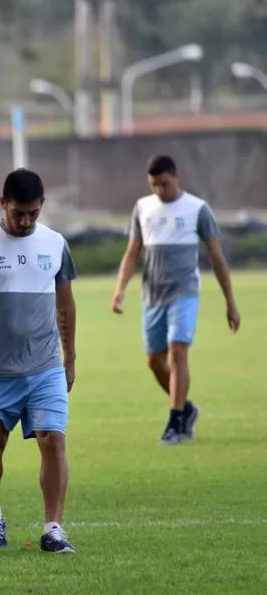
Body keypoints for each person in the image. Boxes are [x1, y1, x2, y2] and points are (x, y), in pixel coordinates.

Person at [0, 169, 78, 554]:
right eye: (18, 213)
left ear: (41, 208)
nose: (25, 222)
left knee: (53, 440)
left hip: (45, 367)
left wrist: (69, 357)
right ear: (2, 203)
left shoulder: (55, 243)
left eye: (33, 214)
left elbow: (65, 303)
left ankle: (54, 528)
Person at [111, 154, 240, 444]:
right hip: (152, 295)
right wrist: (120, 290)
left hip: (184, 291)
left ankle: (174, 422)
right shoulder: (142, 208)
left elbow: (217, 259)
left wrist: (230, 302)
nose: (160, 190)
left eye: (165, 184)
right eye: (154, 185)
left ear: (177, 177)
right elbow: (132, 252)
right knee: (154, 362)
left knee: (177, 350)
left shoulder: (197, 209)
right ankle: (186, 409)